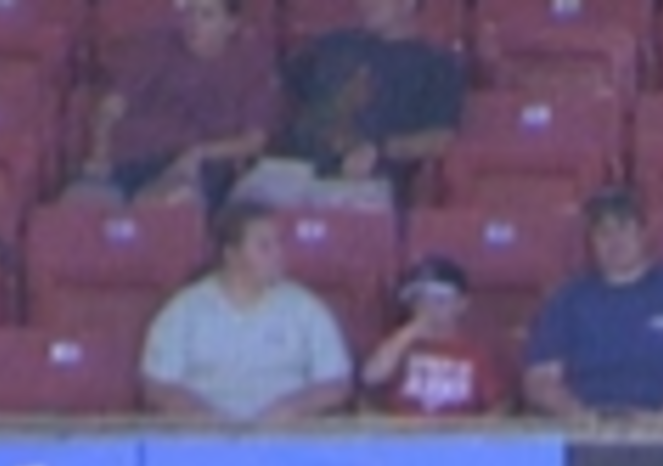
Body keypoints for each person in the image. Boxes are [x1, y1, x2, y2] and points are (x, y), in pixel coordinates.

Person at [521, 186, 663, 422]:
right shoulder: (567, 300)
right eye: (602, 232)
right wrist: (581, 417)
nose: (614, 241)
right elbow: (541, 378)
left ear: (643, 233)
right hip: (587, 432)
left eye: (623, 228)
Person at [140, 200, 354, 422]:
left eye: (279, 243)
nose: (278, 254)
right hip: (205, 440)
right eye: (264, 247)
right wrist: (206, 417)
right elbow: (158, 387)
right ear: (231, 255)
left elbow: (336, 384)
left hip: (286, 439)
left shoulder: (305, 308)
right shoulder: (184, 310)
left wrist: (292, 407)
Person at [73, 0, 280, 209]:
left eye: (206, 15)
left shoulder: (251, 65)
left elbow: (254, 141)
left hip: (194, 168)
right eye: (190, 13)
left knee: (172, 202)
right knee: (80, 207)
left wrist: (199, 153)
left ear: (231, 24)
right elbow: (110, 108)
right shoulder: (155, 47)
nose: (193, 22)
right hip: (130, 158)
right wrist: (100, 155)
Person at [273, 0, 465, 205]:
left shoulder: (436, 65)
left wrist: (381, 151)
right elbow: (277, 90)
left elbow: (441, 138)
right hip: (294, 172)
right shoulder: (332, 44)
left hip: (365, 182)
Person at [361, 253, 506, 416]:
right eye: (420, 300)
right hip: (403, 435)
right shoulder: (398, 344)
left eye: (439, 300)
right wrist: (408, 334)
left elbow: (497, 407)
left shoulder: (476, 353)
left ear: (461, 304)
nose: (428, 308)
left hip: (459, 436)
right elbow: (371, 378)